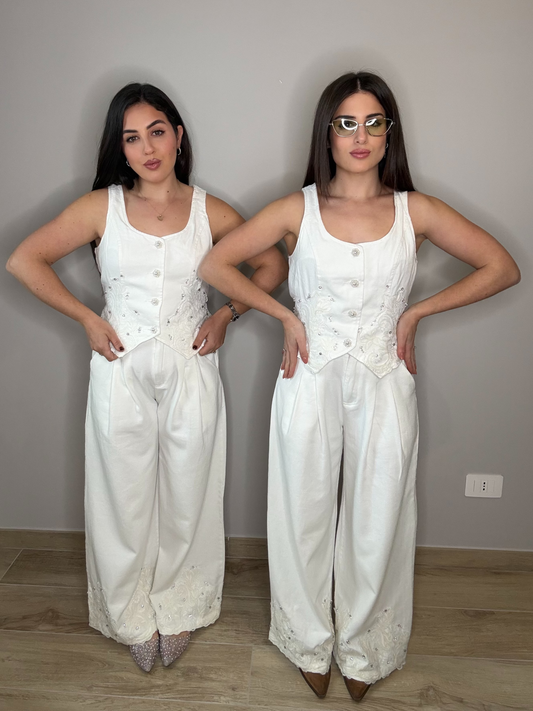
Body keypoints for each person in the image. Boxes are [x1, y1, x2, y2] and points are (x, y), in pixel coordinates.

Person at [199, 71, 520, 702]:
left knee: (380, 516)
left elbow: (501, 267)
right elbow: (215, 263)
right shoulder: (297, 209)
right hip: (308, 377)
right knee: (301, 512)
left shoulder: (415, 210)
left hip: (384, 378)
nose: (360, 135)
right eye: (346, 122)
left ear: (389, 132)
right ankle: (307, 640)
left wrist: (417, 313)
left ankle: (365, 647)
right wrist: (284, 315)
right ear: (327, 132)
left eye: (374, 121)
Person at [6, 83, 287, 673]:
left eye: (157, 132)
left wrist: (228, 313)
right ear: (120, 148)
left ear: (178, 135)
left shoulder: (210, 211)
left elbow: (271, 262)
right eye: (131, 138)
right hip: (120, 367)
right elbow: (24, 259)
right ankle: (129, 613)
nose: (147, 148)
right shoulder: (100, 207)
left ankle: (180, 607)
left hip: (192, 365)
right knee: (122, 494)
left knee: (190, 490)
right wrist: (86, 317)